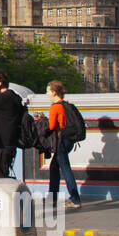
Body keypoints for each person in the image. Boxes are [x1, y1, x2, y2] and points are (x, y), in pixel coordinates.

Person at [40, 80, 81, 209]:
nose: (46, 94)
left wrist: (42, 133)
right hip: (69, 140)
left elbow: (51, 126)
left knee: (65, 168)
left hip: (61, 141)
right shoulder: (66, 105)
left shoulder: (55, 106)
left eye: (47, 91)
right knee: (54, 167)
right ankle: (52, 197)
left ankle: (75, 199)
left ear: (53, 92)